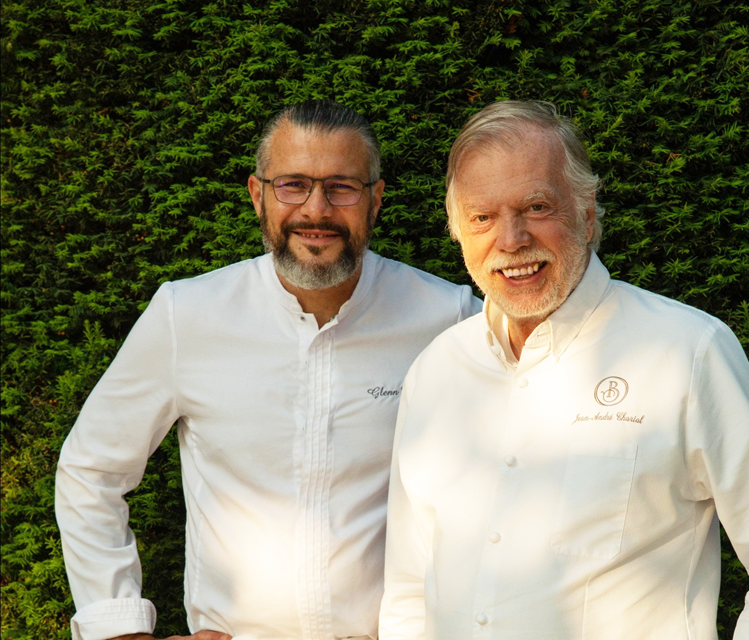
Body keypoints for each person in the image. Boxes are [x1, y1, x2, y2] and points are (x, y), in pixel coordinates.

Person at [379, 101, 749, 640]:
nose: (511, 239)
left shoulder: (686, 351)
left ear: (587, 211)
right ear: (458, 232)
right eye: (482, 217)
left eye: (536, 206)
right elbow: (409, 586)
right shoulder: (436, 372)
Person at [55, 100, 480, 640]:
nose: (317, 209)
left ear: (375, 200)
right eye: (293, 184)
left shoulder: (448, 317)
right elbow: (91, 470)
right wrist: (118, 628)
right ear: (258, 195)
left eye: (342, 187)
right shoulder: (187, 314)